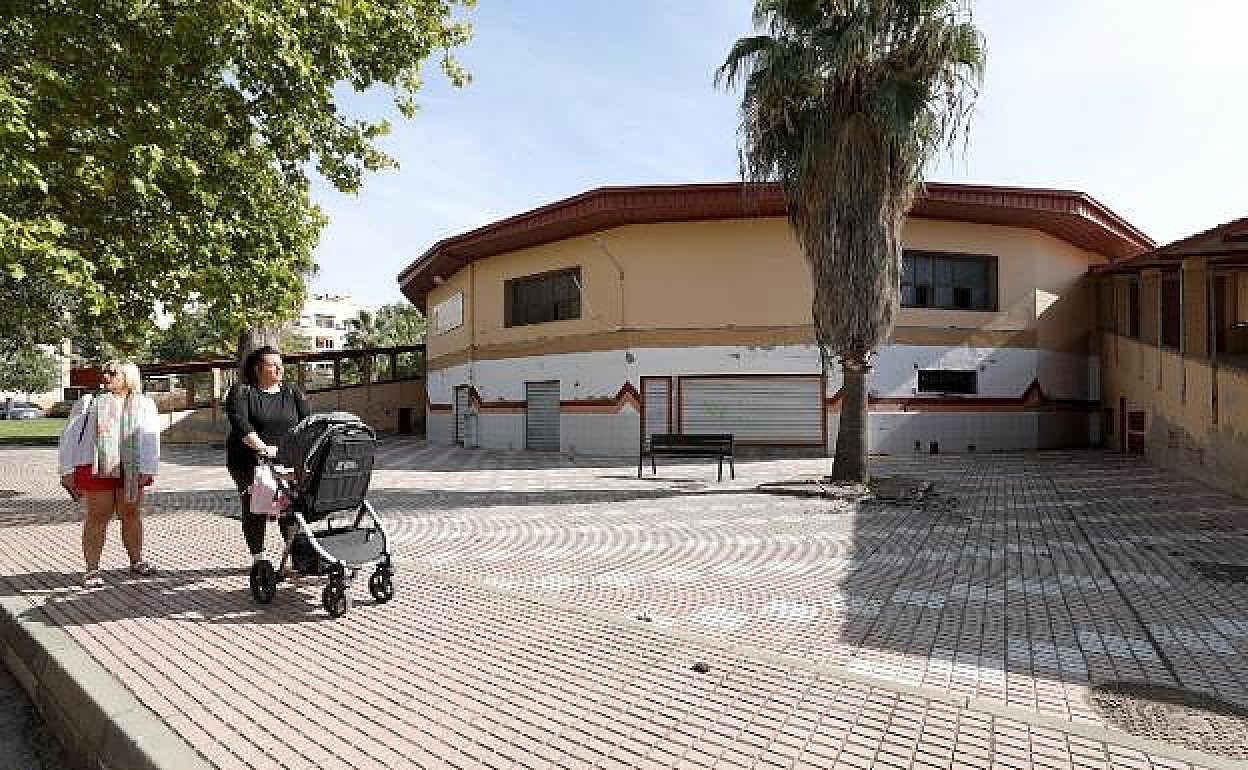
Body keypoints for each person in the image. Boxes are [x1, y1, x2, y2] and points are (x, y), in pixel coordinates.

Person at [58, 360, 161, 587]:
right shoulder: (89, 401)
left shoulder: (144, 403)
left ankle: (136, 561)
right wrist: (66, 469)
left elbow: (151, 436)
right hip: (95, 465)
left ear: (128, 377)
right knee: (98, 516)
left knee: (131, 514)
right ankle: (92, 569)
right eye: (104, 372)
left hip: (131, 467)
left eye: (112, 373)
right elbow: (69, 437)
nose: (106, 376)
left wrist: (149, 468)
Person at [226, 346, 310, 564]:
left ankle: (295, 557)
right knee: (256, 506)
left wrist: (292, 452)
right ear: (258, 369)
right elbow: (240, 424)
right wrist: (263, 448)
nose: (280, 369)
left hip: (286, 459)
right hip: (248, 462)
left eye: (281, 365)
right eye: (274, 365)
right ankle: (259, 560)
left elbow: (307, 424)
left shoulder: (292, 392)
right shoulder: (242, 392)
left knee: (289, 507)